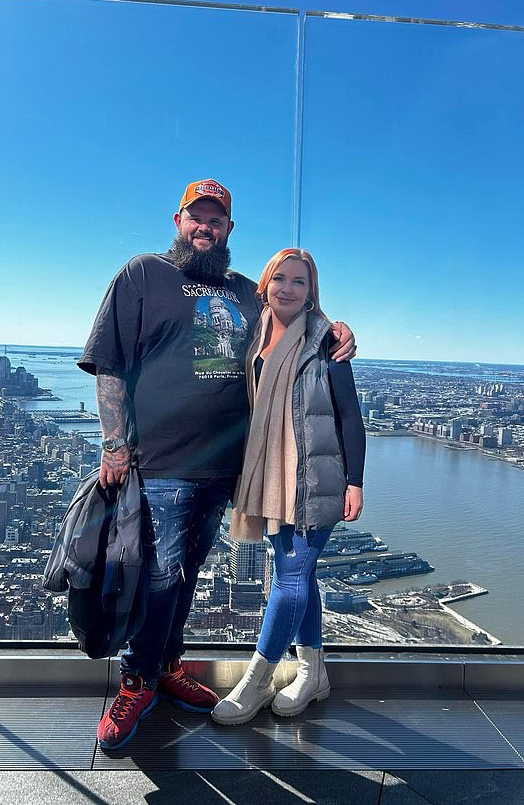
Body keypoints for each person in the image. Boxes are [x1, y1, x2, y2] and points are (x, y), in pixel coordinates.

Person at [77, 181, 356, 750]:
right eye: (196, 219)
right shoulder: (142, 275)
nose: (205, 228)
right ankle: (138, 680)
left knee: (187, 574)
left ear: (229, 229)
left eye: (217, 220)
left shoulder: (243, 291)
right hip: (160, 461)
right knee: (158, 575)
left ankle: (168, 666)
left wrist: (340, 329)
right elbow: (109, 362)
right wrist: (113, 443)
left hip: (226, 469)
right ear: (178, 220)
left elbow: (297, 309)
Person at [211, 248, 365, 726]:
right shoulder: (251, 333)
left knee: (290, 579)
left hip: (316, 481)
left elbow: (350, 417)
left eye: (300, 281)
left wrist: (355, 482)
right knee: (301, 577)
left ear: (311, 291)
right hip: (268, 478)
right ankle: (314, 672)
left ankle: (257, 680)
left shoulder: (326, 343)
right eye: (280, 278)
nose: (288, 288)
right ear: (265, 283)